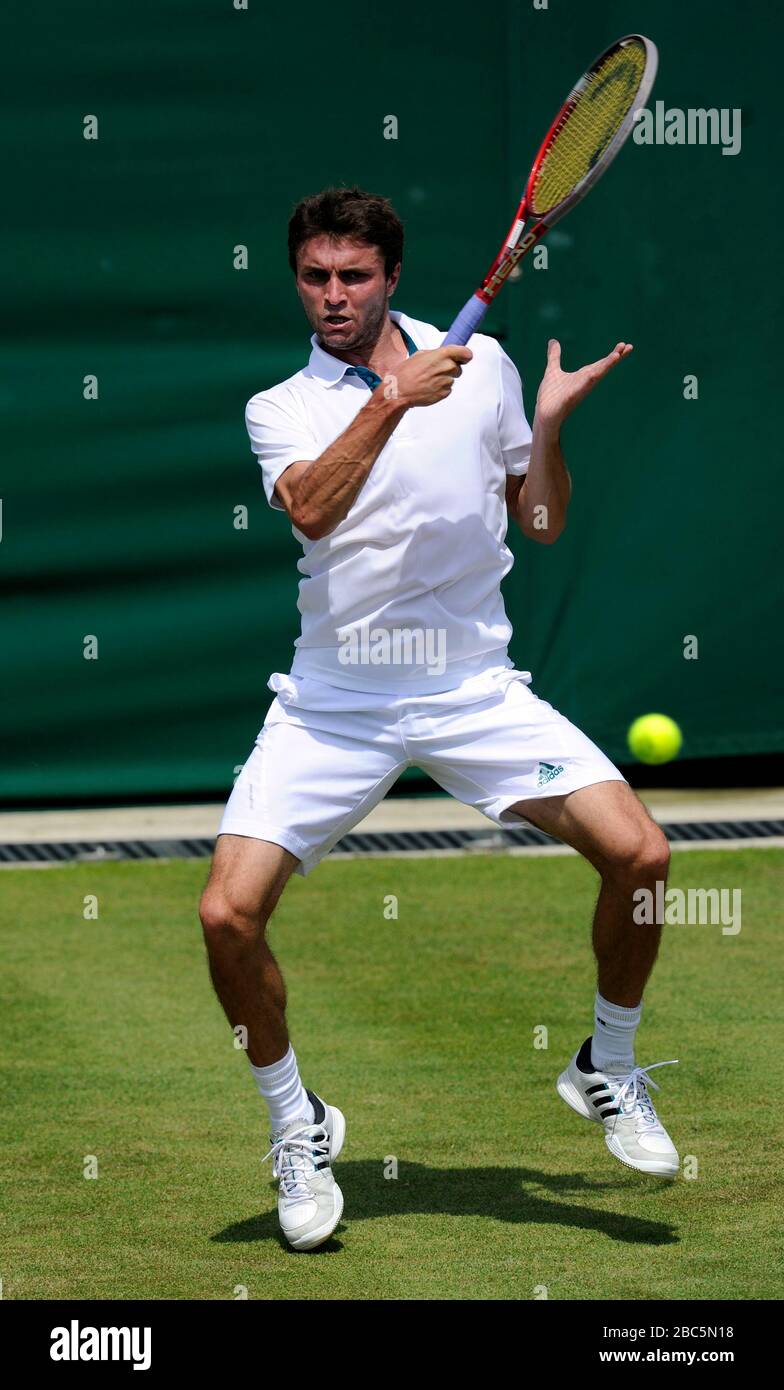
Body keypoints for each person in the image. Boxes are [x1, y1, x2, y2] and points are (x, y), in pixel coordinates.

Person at [199, 186, 678, 1253]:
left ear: (391, 279)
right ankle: (297, 1127)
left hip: (473, 688)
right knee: (227, 916)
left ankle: (606, 1060)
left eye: (352, 276)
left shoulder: (489, 368)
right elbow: (314, 510)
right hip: (335, 701)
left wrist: (545, 429)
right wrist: (392, 398)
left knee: (641, 856)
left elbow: (541, 523)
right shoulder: (280, 404)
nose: (332, 296)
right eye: (315, 277)